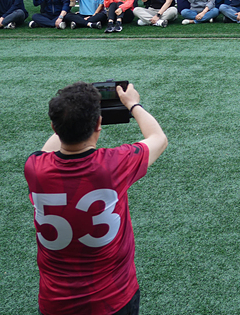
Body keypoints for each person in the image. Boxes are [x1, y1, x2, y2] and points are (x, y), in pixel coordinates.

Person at [25, 81, 167, 315]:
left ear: (54, 126)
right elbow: (158, 138)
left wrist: (73, 118)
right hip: (113, 300)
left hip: (55, 304)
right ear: (99, 124)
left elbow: (50, 148)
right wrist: (133, 105)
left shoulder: (34, 167)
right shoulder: (114, 163)